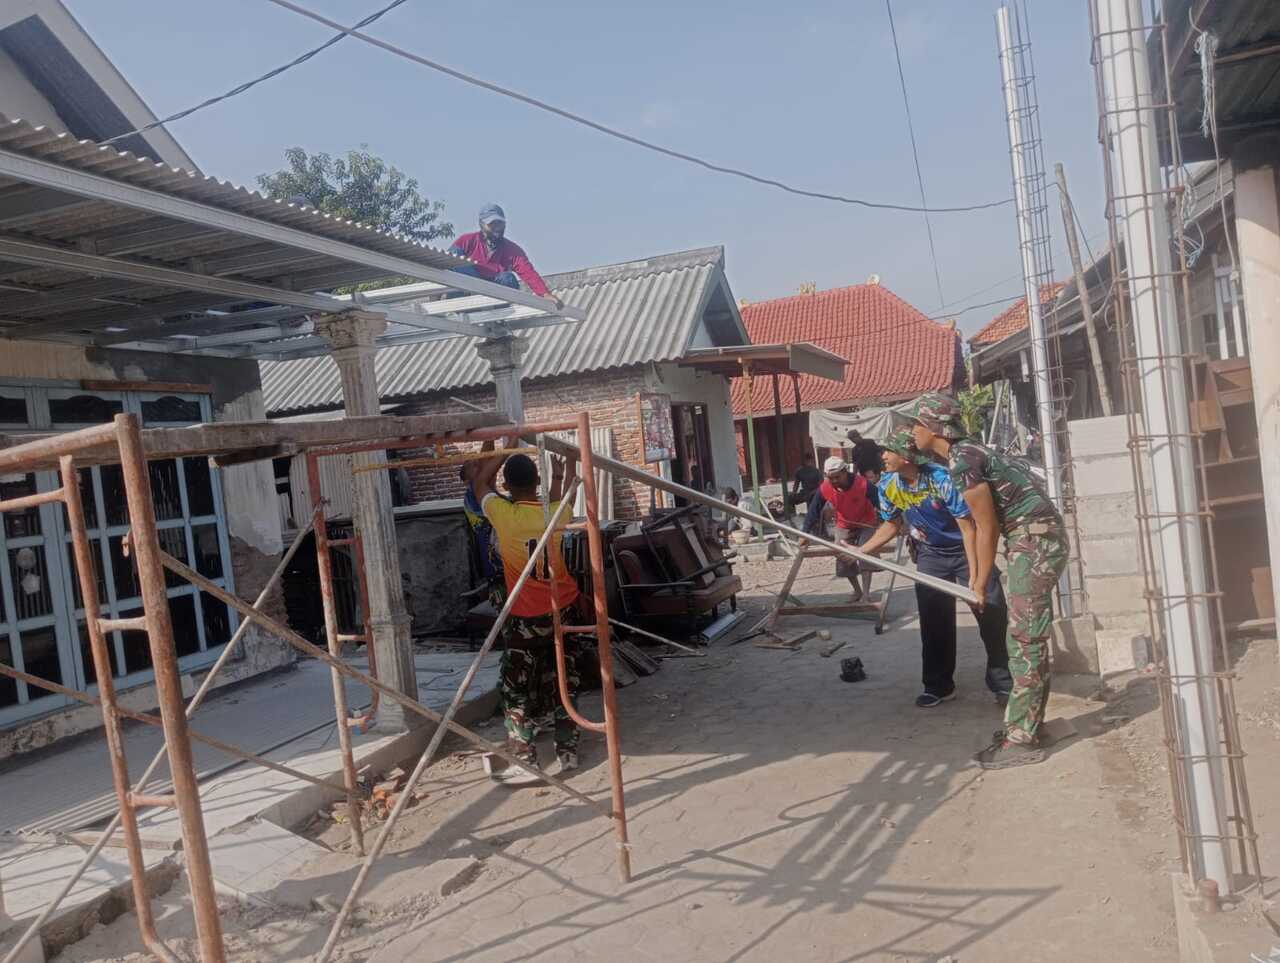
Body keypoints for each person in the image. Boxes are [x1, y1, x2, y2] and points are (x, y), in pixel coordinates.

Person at [910, 393, 1069, 770]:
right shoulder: (965, 454)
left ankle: (1022, 737)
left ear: (935, 428)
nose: (911, 432)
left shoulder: (963, 459)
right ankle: (1028, 724)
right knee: (1023, 637)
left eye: (916, 424)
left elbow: (986, 526)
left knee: (1024, 638)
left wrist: (979, 582)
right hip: (1032, 539)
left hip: (1035, 540)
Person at [860, 429, 1014, 709]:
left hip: (967, 551)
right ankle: (938, 685)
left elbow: (969, 529)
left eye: (888, 451)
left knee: (990, 610)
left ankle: (1003, 683)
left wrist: (977, 580)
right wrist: (862, 551)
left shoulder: (942, 479)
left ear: (906, 456)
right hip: (930, 553)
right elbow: (892, 523)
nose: (883, 456)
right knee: (933, 619)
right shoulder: (888, 485)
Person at [472, 448, 582, 784]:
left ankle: (525, 755)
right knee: (565, 675)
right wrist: (565, 469)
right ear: (537, 482)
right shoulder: (556, 513)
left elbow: (478, 482)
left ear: (506, 484)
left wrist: (508, 446)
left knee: (515, 685)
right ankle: (568, 748)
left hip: (526, 615)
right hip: (564, 606)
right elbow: (562, 496)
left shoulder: (504, 515)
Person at [448, 204, 564, 308]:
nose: (496, 228)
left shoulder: (512, 250)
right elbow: (447, 261)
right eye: (492, 224)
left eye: (500, 224)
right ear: (482, 225)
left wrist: (545, 294)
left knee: (508, 278)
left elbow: (529, 273)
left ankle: (500, 317)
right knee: (457, 262)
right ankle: (453, 305)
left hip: (494, 290)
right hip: (469, 286)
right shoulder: (467, 240)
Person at [807, 455, 878, 602]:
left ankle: (866, 594)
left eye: (837, 477)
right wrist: (804, 534)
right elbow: (813, 511)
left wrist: (891, 522)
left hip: (866, 522)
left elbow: (881, 502)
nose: (834, 481)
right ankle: (857, 591)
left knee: (865, 556)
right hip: (844, 523)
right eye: (830, 478)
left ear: (845, 471)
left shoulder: (863, 484)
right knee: (842, 558)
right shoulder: (825, 488)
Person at [790, 452, 822, 521]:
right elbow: (796, 484)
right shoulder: (800, 471)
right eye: (806, 461)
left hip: (814, 492)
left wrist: (813, 492)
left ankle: (813, 518)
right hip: (804, 492)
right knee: (789, 498)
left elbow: (821, 486)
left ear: (811, 460)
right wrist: (793, 493)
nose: (808, 463)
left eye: (809, 461)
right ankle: (792, 516)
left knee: (811, 499)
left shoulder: (816, 471)